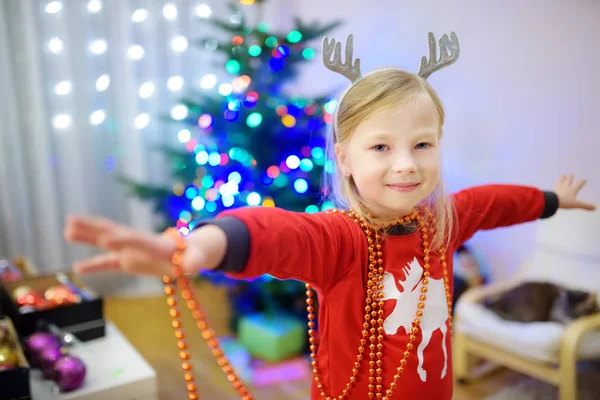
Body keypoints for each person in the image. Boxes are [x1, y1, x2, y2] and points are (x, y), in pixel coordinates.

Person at [63, 32, 596, 399]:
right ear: (344, 158)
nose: (407, 164)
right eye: (381, 147)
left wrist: (552, 200)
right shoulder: (342, 240)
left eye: (423, 144)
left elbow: (498, 201)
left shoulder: (444, 221)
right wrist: (199, 247)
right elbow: (272, 232)